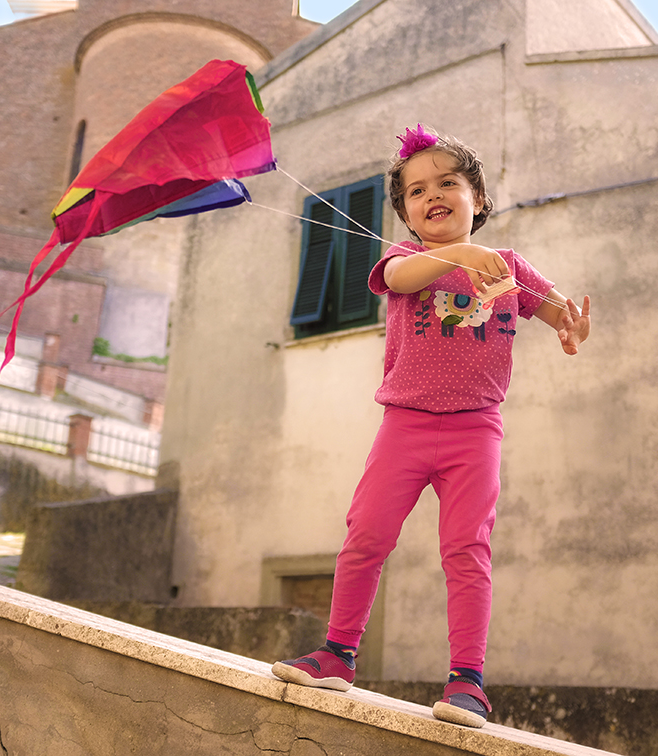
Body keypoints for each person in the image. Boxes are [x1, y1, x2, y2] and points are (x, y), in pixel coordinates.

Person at [272, 125, 591, 728]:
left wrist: (568, 325)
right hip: (406, 425)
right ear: (407, 216)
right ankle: (337, 653)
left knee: (467, 550)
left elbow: (552, 307)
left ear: (477, 198)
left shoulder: (509, 267)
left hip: (476, 430)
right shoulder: (402, 259)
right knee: (365, 535)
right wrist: (466, 257)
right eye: (417, 191)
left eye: (449, 182)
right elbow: (398, 282)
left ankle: (468, 682)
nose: (433, 194)